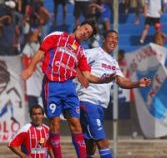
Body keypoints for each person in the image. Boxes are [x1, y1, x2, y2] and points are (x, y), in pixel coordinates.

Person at [21, 21, 115, 158]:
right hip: (52, 84)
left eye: (88, 33)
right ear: (78, 26)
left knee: (76, 123)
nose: (85, 32)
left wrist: (103, 79)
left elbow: (87, 75)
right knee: (55, 123)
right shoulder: (57, 35)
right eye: (85, 29)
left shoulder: (81, 52)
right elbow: (41, 51)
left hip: (69, 87)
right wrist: (30, 68)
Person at [76, 30, 151, 158]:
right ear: (103, 39)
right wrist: (80, 76)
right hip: (89, 101)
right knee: (103, 142)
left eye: (116, 38)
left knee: (91, 146)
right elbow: (74, 60)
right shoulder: (93, 53)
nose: (114, 40)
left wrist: (137, 84)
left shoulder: (113, 62)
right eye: (111, 37)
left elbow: (121, 82)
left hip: (100, 106)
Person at [22, 29, 43, 111]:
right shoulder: (29, 46)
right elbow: (24, 57)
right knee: (32, 104)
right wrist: (30, 69)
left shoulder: (42, 46)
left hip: (42, 78)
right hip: (33, 80)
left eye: (33, 36)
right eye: (31, 36)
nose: (31, 37)